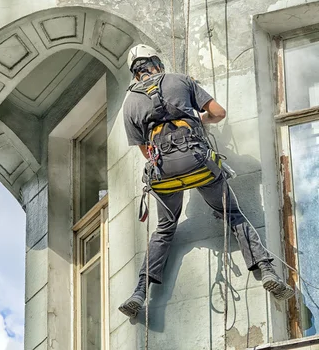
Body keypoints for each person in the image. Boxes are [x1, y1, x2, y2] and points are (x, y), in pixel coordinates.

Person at [118, 44, 294, 319]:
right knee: (232, 214)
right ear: (157, 63)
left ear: (135, 72)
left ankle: (139, 291)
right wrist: (201, 121)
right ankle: (267, 269)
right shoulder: (180, 80)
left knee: (164, 229)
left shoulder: (129, 103)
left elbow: (145, 151)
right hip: (198, 164)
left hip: (164, 176)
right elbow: (219, 112)